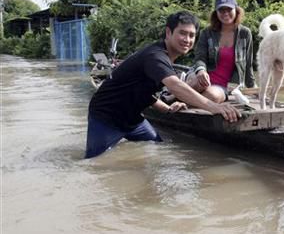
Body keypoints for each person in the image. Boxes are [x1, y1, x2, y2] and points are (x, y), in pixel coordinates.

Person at [85, 11, 241, 159]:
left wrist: (166, 109)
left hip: (132, 120)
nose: (187, 39)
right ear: (168, 32)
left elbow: (144, 91)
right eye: (182, 33)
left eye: (191, 35)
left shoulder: (165, 60)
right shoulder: (156, 56)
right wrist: (214, 107)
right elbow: (175, 85)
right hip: (106, 117)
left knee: (158, 147)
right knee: (95, 163)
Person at [189, 0, 255, 104]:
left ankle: (180, 101)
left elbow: (248, 64)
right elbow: (200, 57)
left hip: (225, 86)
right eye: (221, 10)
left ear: (236, 10)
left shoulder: (245, 33)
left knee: (212, 95)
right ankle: (171, 99)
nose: (225, 13)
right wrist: (201, 70)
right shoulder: (207, 33)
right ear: (216, 13)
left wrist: (253, 87)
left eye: (229, 9)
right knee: (197, 83)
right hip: (203, 78)